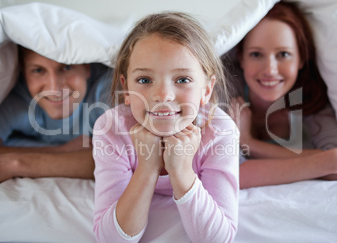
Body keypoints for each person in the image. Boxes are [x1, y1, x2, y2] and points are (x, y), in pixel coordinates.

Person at [92, 12, 239, 242]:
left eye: (182, 79)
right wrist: (147, 167)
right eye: (144, 80)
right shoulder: (111, 128)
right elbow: (111, 239)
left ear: (206, 90)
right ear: (126, 88)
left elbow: (218, 238)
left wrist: (182, 171)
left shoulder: (220, 131)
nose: (162, 95)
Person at [226, 2, 337, 189]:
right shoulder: (228, 93)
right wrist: (332, 160)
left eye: (283, 54)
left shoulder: (311, 100)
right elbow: (230, 173)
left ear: (301, 59)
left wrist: (250, 143)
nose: (270, 70)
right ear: (241, 59)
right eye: (256, 54)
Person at [0, 47, 111, 192]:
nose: (54, 88)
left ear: (86, 67)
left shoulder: (107, 92)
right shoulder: (18, 100)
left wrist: (14, 164)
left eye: (67, 67)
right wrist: (59, 151)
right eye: (38, 70)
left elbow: (119, 159)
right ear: (23, 70)